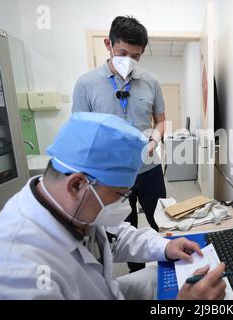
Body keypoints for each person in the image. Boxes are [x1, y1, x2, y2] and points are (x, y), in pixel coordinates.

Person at [0, 112, 226, 300]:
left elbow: (115, 236)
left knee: (155, 278)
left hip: (105, 290)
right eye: (118, 194)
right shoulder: (12, 278)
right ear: (77, 185)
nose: (123, 205)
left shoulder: (67, 208)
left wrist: (166, 246)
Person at [72, 16, 166, 273]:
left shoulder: (151, 82)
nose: (129, 61)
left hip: (148, 168)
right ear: (108, 45)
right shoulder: (86, 84)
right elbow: (80, 130)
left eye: (136, 56)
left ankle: (166, 270)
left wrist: (155, 139)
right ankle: (138, 274)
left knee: (162, 223)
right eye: (123, 53)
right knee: (126, 228)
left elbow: (160, 121)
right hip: (111, 175)